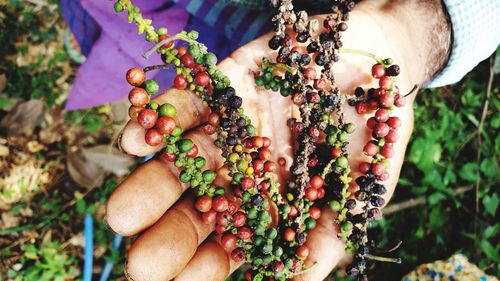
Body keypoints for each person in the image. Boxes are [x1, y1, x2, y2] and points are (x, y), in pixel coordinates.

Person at [60, 0, 499, 280]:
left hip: (269, 46)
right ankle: (92, 39)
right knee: (116, 30)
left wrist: (412, 28)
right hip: (212, 43)